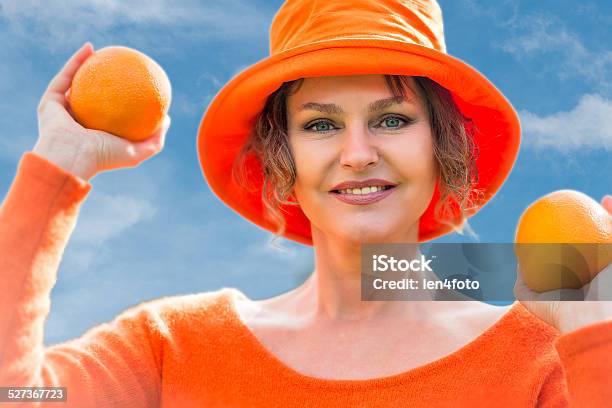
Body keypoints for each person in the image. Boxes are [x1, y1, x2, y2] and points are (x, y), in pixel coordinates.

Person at [1, 0, 611, 406]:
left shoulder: (540, 355)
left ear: (442, 148)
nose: (356, 153)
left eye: (392, 119)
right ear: (281, 159)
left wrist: (596, 335)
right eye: (320, 126)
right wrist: (58, 166)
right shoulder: (176, 344)